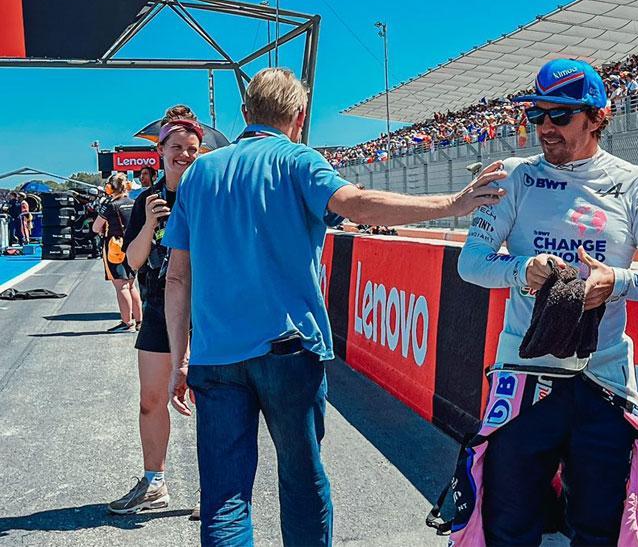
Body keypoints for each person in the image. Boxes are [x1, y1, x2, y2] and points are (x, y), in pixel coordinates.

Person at [162, 67, 505, 545]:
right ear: (299, 116)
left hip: (216, 357)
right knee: (301, 482)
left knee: (224, 499)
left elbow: (177, 277)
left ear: (245, 114)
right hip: (288, 351)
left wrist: (180, 358)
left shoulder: (198, 173)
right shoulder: (298, 160)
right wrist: (454, 202)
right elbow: (358, 204)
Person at [456, 58, 638, 544]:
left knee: (599, 532)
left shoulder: (637, 183)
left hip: (602, 381)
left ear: (597, 116)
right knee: (507, 528)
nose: (545, 128)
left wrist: (616, 280)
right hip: (523, 378)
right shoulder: (512, 176)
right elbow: (470, 263)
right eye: (536, 116)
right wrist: (522, 271)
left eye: (559, 116)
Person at [107, 119, 204, 516]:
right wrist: (148, 222)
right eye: (176, 147)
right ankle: (154, 482)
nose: (184, 155)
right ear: (160, 152)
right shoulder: (146, 199)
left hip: (203, 314)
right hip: (158, 311)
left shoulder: (208, 195)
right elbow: (131, 261)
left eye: (192, 149)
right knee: (150, 400)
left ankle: (212, 488)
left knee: (209, 401)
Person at [93, 174, 142, 333]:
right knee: (131, 284)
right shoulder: (133, 203)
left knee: (121, 285)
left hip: (115, 247)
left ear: (110, 188)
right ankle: (140, 321)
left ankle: (127, 323)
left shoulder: (109, 206)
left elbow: (95, 227)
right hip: (132, 245)